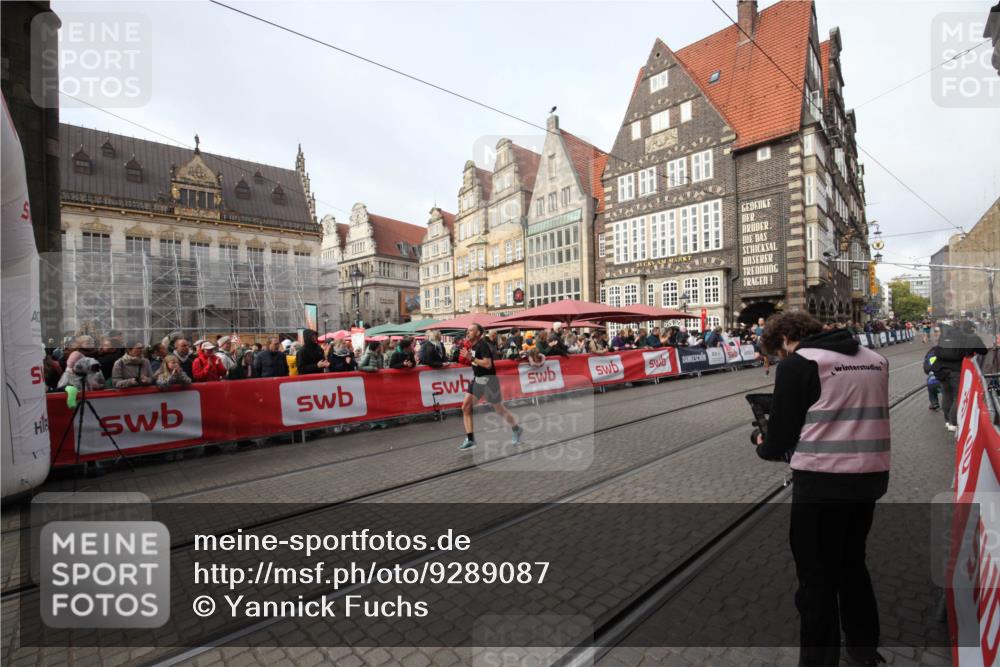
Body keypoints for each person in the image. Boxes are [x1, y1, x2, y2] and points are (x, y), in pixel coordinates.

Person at [755, 311, 889, 667]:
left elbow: (779, 438)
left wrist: (761, 441)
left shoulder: (799, 364)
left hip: (822, 483)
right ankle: (863, 649)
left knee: (816, 581)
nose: (781, 358)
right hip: (869, 479)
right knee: (852, 565)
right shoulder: (876, 359)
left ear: (784, 340)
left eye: (779, 352)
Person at [458, 323, 521, 451]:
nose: (468, 332)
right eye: (467, 330)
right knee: (465, 407)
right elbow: (470, 360)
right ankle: (470, 440)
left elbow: (487, 364)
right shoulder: (472, 346)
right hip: (477, 381)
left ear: (478, 333)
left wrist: (472, 358)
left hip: (489, 381)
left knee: (499, 410)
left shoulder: (483, 345)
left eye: (471, 330)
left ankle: (516, 428)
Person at [932, 321, 987, 431]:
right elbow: (983, 351)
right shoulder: (972, 338)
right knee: (958, 396)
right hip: (956, 371)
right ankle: (954, 423)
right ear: (972, 328)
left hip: (941, 370)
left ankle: (947, 421)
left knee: (947, 395)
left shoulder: (949, 336)